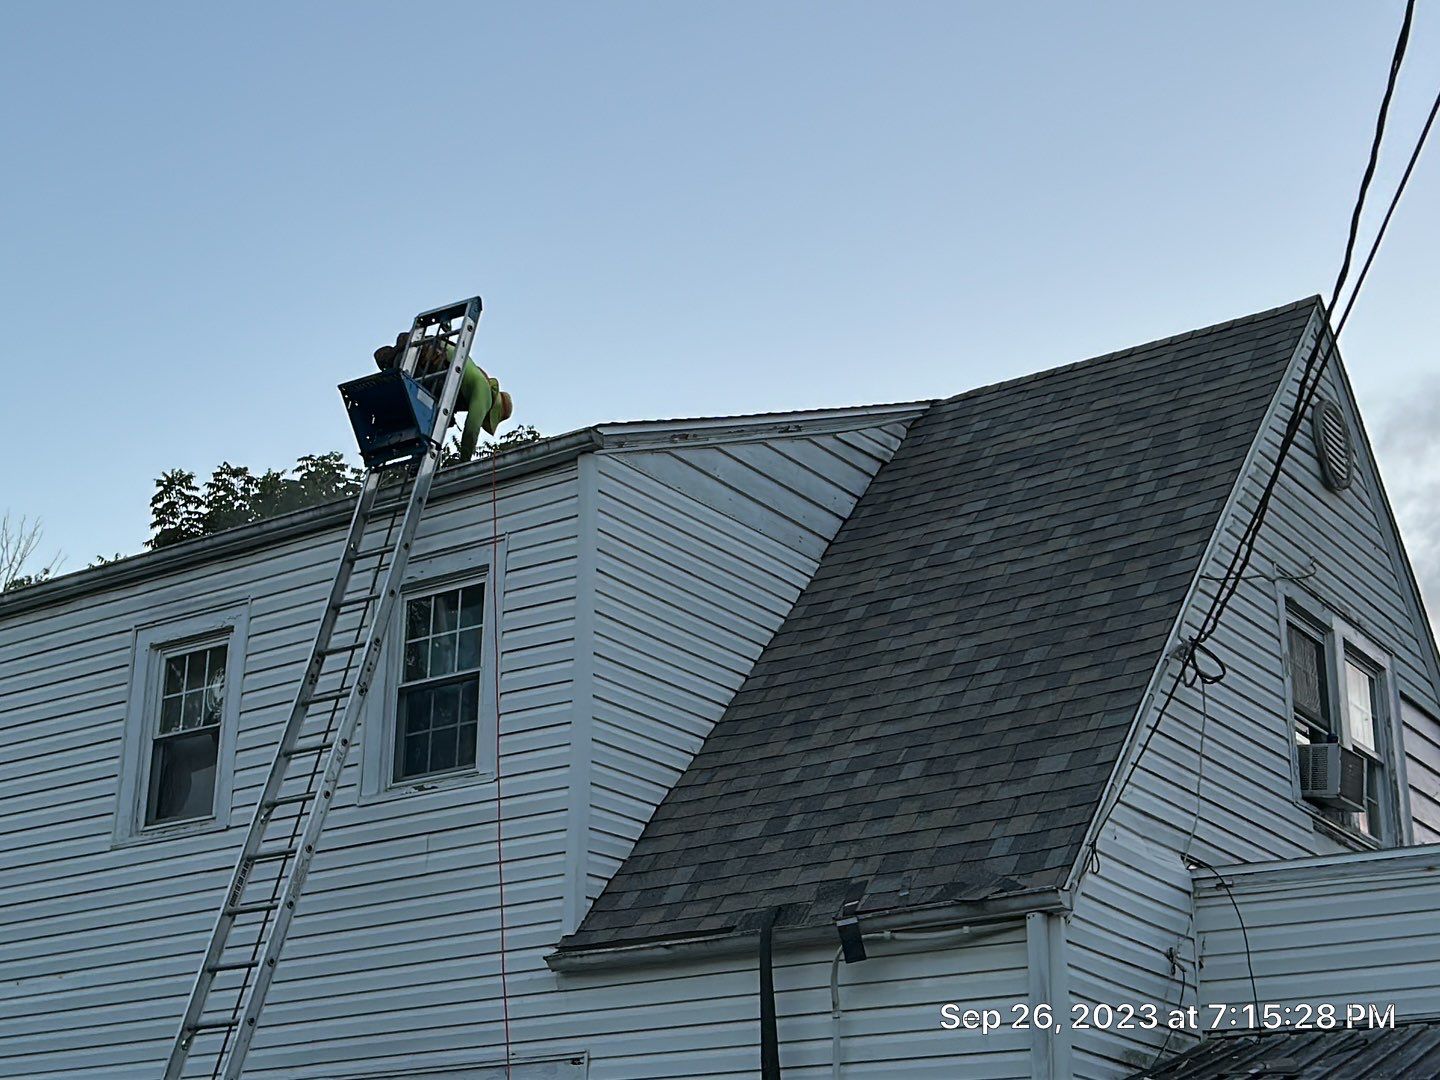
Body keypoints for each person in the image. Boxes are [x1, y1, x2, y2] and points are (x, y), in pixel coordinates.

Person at [373, 333, 513, 462]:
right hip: (427, 362)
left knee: (424, 417)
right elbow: (471, 429)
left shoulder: (475, 377)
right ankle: (422, 459)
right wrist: (464, 462)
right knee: (434, 418)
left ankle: (393, 355)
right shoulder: (485, 395)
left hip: (409, 363)